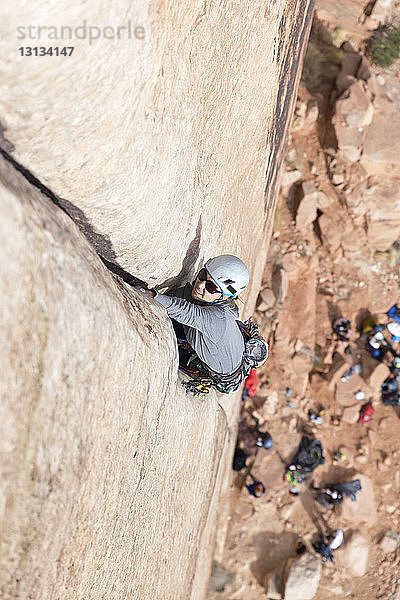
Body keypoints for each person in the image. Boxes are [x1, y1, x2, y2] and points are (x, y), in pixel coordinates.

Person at [142, 255, 268, 394]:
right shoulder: (212, 299)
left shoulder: (216, 319)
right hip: (228, 348)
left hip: (223, 372)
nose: (200, 285)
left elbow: (185, 311)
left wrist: (152, 295)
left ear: (226, 296)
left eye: (211, 287)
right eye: (203, 275)